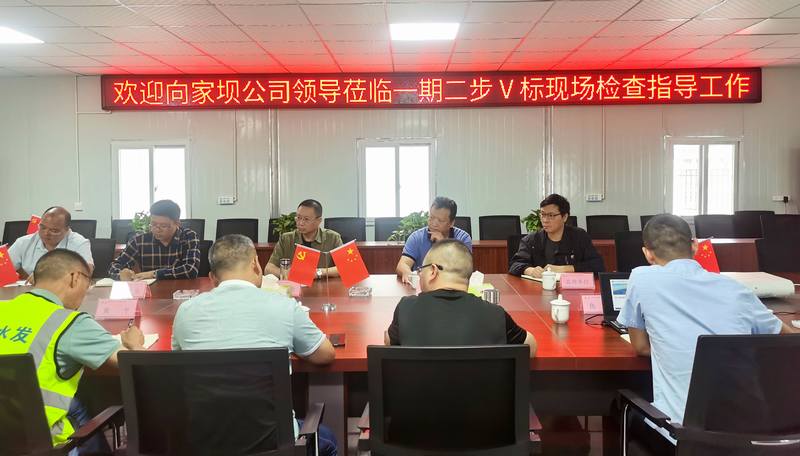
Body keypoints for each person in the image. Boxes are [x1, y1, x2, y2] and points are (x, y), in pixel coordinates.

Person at [617, 214, 795, 453]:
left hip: (682, 437)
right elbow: (788, 341)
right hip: (753, 439)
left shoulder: (641, 278)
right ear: (695, 245)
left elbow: (640, 347)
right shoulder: (736, 290)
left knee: (622, 407)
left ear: (647, 254)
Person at [172, 234, 337, 455]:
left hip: (204, 441)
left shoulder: (186, 312)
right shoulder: (284, 306)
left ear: (212, 277)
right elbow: (325, 354)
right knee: (327, 439)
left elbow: (179, 365)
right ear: (256, 265)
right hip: (273, 443)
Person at [0, 249, 144, 454]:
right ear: (75, 277)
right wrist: (135, 344)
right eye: (88, 283)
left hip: (7, 428)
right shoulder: (69, 322)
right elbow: (138, 367)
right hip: (44, 444)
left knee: (77, 405)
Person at [386, 239, 536, 356]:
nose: (420, 274)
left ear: (433, 271)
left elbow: (389, 343)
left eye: (421, 269)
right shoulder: (495, 314)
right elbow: (530, 346)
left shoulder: (406, 308)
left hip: (419, 388)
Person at [509, 194, 604, 278]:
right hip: (538, 288)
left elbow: (597, 265)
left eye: (551, 215)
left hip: (571, 289)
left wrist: (565, 269)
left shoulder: (579, 236)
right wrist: (530, 271)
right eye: (543, 215)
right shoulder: (532, 239)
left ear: (564, 217)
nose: (545, 220)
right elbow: (514, 264)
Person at [108, 199, 200, 281]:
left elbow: (191, 270)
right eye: (153, 224)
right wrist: (121, 275)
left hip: (181, 291)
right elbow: (114, 266)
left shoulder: (188, 237)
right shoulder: (140, 240)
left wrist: (154, 274)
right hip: (150, 291)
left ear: (177, 223)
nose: (157, 229)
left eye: (163, 226)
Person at [395, 197, 472, 284]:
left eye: (440, 220)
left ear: (451, 223)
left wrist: (442, 244)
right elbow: (403, 264)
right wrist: (407, 273)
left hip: (452, 286)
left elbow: (464, 270)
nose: (434, 223)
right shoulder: (416, 237)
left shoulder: (463, 238)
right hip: (423, 286)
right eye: (431, 217)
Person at [8, 206, 94, 280]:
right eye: (43, 227)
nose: (46, 233)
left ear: (66, 230)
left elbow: (86, 272)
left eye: (54, 230)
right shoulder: (23, 242)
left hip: (64, 290)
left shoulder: (79, 243)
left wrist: (46, 276)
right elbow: (4, 268)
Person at [265, 199, 342, 279]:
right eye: (298, 218)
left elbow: (344, 268)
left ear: (318, 221)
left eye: (306, 219)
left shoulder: (333, 238)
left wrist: (318, 272)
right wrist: (288, 273)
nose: (301, 223)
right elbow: (268, 269)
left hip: (323, 285)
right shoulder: (286, 239)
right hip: (294, 286)